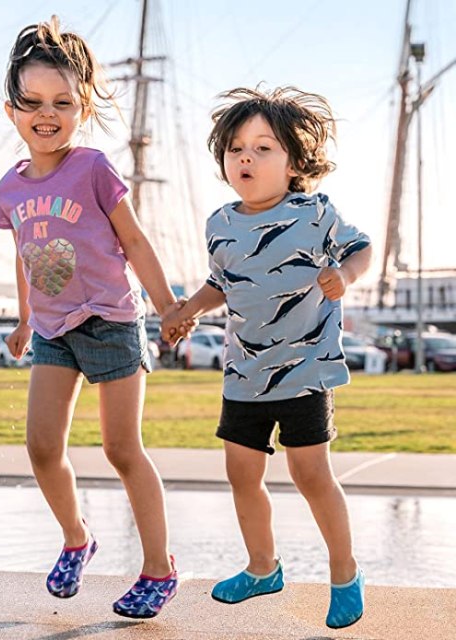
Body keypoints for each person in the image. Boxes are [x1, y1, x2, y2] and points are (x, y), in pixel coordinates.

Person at [162, 86, 372, 629]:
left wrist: (344, 275)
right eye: (236, 148)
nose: (246, 158)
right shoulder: (219, 224)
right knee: (240, 472)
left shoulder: (315, 213)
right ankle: (262, 568)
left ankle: (345, 573)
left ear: (294, 163)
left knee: (311, 474)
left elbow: (361, 248)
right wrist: (187, 310)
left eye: (262, 148)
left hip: (304, 369)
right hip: (244, 374)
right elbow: (220, 284)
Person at [0, 17, 180, 619]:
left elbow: (135, 241)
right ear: (11, 111)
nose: (46, 114)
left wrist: (167, 305)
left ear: (82, 108)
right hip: (53, 331)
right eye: (32, 102)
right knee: (41, 447)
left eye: (62, 102)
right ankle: (77, 538)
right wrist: (25, 319)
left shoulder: (94, 168)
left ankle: (159, 569)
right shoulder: (9, 188)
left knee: (122, 449)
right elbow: (25, 254)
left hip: (110, 321)